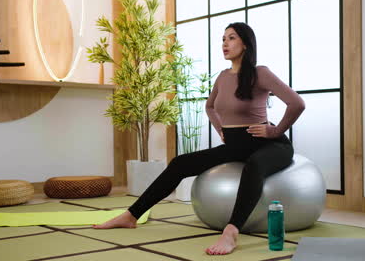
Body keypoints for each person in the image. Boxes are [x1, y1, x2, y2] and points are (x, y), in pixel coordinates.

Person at [93, 22, 305, 255]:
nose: (225, 43)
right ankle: (131, 215)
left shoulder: (260, 73)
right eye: (223, 38)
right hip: (237, 146)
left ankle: (231, 233)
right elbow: (210, 107)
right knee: (180, 163)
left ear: (245, 44)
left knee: (254, 167)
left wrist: (274, 131)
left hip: (271, 145)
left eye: (231, 38)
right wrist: (221, 130)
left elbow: (297, 103)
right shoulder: (223, 77)